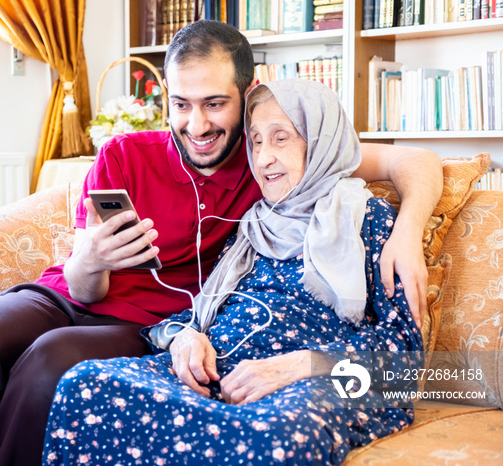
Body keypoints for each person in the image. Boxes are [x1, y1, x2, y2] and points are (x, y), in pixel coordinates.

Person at [0, 20, 441, 466]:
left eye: (215, 103)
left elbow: (408, 160)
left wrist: (409, 230)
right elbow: (86, 288)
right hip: (82, 301)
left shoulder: (282, 169)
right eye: (182, 104)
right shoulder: (142, 162)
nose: (199, 124)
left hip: (142, 326)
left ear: (246, 93)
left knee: (49, 365)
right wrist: (91, 259)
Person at [43, 78, 423, 465]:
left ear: (323, 142)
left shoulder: (369, 219)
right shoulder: (251, 224)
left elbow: (407, 360)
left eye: (281, 138)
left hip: (306, 384)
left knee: (274, 437)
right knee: (84, 384)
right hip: (215, 373)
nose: (263, 158)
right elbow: (198, 312)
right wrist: (183, 338)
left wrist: (299, 366)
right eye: (256, 141)